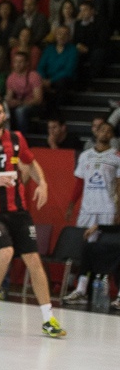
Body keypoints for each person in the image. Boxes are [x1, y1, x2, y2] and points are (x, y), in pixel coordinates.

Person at [0, 98, 66, 337]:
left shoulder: (16, 139)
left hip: (18, 210)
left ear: (4, 115)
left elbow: (32, 163)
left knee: (34, 260)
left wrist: (43, 184)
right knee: (5, 253)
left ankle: (49, 319)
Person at [63, 122, 120, 302]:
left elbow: (118, 186)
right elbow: (79, 183)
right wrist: (72, 204)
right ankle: (81, 290)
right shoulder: (85, 156)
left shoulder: (116, 157)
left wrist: (118, 210)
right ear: (96, 132)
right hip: (87, 209)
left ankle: (107, 292)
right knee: (85, 249)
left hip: (107, 209)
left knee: (108, 251)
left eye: (109, 131)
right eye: (103, 129)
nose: (105, 133)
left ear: (112, 136)